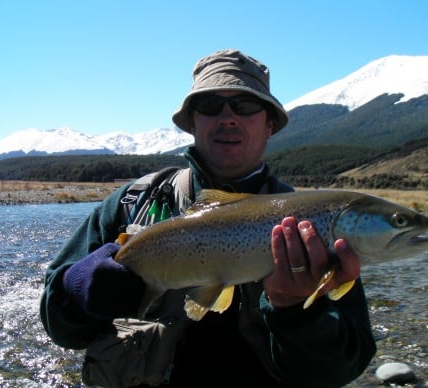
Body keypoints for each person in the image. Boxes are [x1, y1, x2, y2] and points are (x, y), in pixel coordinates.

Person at [40, 49, 376, 387]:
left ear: (269, 123)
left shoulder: (311, 224)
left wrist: (299, 313)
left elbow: (344, 369)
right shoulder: (132, 202)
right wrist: (78, 290)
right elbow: (60, 329)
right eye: (210, 105)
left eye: (244, 105)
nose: (228, 118)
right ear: (192, 123)